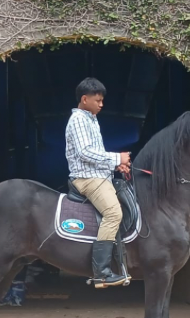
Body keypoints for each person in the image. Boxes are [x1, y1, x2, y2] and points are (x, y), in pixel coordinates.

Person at [65, 77, 131, 288]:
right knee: (113, 212)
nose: (101, 104)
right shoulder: (79, 121)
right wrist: (117, 158)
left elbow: (96, 155)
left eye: (102, 100)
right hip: (87, 179)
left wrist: (115, 166)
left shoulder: (91, 119)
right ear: (85, 99)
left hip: (98, 175)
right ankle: (101, 273)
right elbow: (85, 153)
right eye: (98, 100)